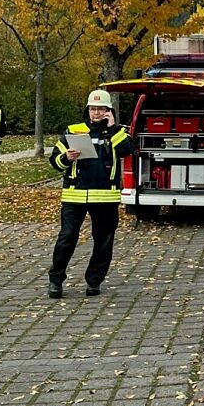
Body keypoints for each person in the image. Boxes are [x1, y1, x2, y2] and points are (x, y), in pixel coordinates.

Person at [48, 89, 134, 298]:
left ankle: (94, 281)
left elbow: (126, 149)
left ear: (108, 111)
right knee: (67, 238)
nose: (96, 113)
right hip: (74, 195)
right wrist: (66, 158)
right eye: (93, 109)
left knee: (103, 241)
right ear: (88, 110)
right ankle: (56, 280)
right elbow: (55, 161)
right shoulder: (73, 130)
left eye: (101, 109)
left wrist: (112, 128)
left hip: (104, 196)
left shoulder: (119, 131)